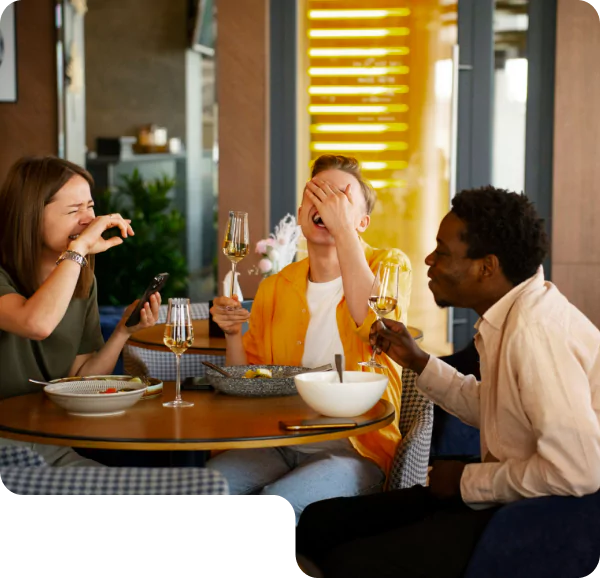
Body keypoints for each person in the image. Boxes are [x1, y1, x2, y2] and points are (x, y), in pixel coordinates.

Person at [294, 186, 600, 578]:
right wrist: (419, 362)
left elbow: (576, 471)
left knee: (348, 562)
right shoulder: (512, 314)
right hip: (511, 498)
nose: (429, 259)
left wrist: (465, 481)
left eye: (442, 251)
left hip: (540, 521)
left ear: (485, 267)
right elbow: (495, 407)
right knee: (322, 521)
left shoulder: (535, 332)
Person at [207, 154, 412, 523]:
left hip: (356, 448)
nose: (326, 205)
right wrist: (234, 334)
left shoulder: (389, 267)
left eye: (340, 198)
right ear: (302, 213)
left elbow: (375, 325)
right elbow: (247, 383)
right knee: (203, 488)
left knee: (276, 503)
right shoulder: (275, 287)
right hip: (278, 440)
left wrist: (343, 230)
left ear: (362, 222)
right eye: (317, 195)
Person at [0, 156, 161, 467]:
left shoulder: (82, 278)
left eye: (90, 206)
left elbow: (80, 377)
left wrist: (122, 332)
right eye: (74, 211)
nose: (89, 220)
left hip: (50, 444)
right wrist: (78, 251)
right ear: (30, 217)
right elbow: (36, 323)